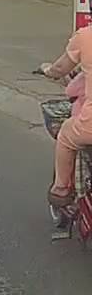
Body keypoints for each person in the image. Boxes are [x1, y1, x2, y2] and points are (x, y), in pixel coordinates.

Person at [42, 27, 92, 208]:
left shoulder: (85, 36)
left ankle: (61, 189)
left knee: (65, 136)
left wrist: (48, 70)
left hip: (89, 126)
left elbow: (60, 68)